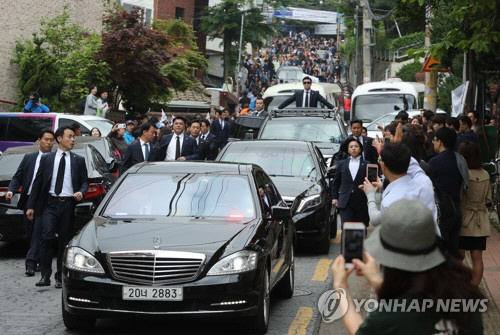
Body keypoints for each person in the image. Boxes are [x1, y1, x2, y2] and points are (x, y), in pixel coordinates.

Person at [331, 199, 484, 335]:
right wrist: (375, 279)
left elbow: (360, 330)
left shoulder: (392, 316)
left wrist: (341, 287)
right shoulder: (466, 297)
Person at [26, 126, 88, 288]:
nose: (73, 139)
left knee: (64, 241)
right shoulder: (47, 159)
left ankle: (60, 276)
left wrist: (81, 192)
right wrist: (30, 206)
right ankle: (45, 275)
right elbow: (38, 183)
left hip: (68, 205)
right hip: (49, 204)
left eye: (73, 137)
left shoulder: (78, 160)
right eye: (69, 136)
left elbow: (84, 182)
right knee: (46, 237)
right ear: (59, 139)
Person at [361, 142, 440, 234]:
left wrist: (370, 193)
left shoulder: (390, 201)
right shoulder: (424, 181)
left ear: (384, 167)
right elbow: (412, 163)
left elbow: (375, 219)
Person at [6, 130, 55, 276]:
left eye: (52, 140)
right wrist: (11, 190)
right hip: (28, 200)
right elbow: (18, 177)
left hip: (46, 201)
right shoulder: (29, 158)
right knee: (31, 232)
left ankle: (31, 263)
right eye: (46, 139)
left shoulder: (55, 159)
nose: (49, 142)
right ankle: (38, 259)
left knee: (39, 232)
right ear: (39, 140)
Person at [458, 141, 492, 286]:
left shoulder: (462, 174)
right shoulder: (485, 174)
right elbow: (488, 199)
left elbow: (459, 196)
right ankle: (475, 289)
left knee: (459, 256)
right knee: (477, 257)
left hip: (464, 218)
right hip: (480, 220)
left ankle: (460, 287)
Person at [430, 127, 468, 254]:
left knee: (441, 253)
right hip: (457, 210)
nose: (433, 143)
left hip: (442, 212)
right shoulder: (460, 160)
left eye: (434, 140)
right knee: (453, 252)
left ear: (440, 142)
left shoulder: (434, 162)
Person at [331, 138, 370, 227]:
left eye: (356, 146)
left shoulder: (367, 164)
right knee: (346, 226)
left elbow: (371, 181)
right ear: (348, 150)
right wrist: (334, 198)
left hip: (361, 200)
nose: (353, 148)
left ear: (360, 149)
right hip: (345, 200)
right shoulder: (342, 163)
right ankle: (346, 241)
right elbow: (336, 182)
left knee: (360, 227)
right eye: (351, 147)